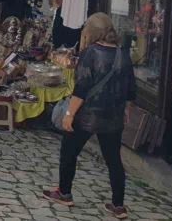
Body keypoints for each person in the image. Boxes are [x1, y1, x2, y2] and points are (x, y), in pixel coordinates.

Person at [43, 13, 136, 219]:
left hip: (87, 115)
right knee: (114, 160)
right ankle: (118, 205)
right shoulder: (123, 54)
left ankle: (64, 193)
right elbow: (130, 88)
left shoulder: (91, 53)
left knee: (69, 152)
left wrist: (69, 114)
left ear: (92, 32)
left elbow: (82, 88)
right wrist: (126, 111)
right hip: (112, 116)